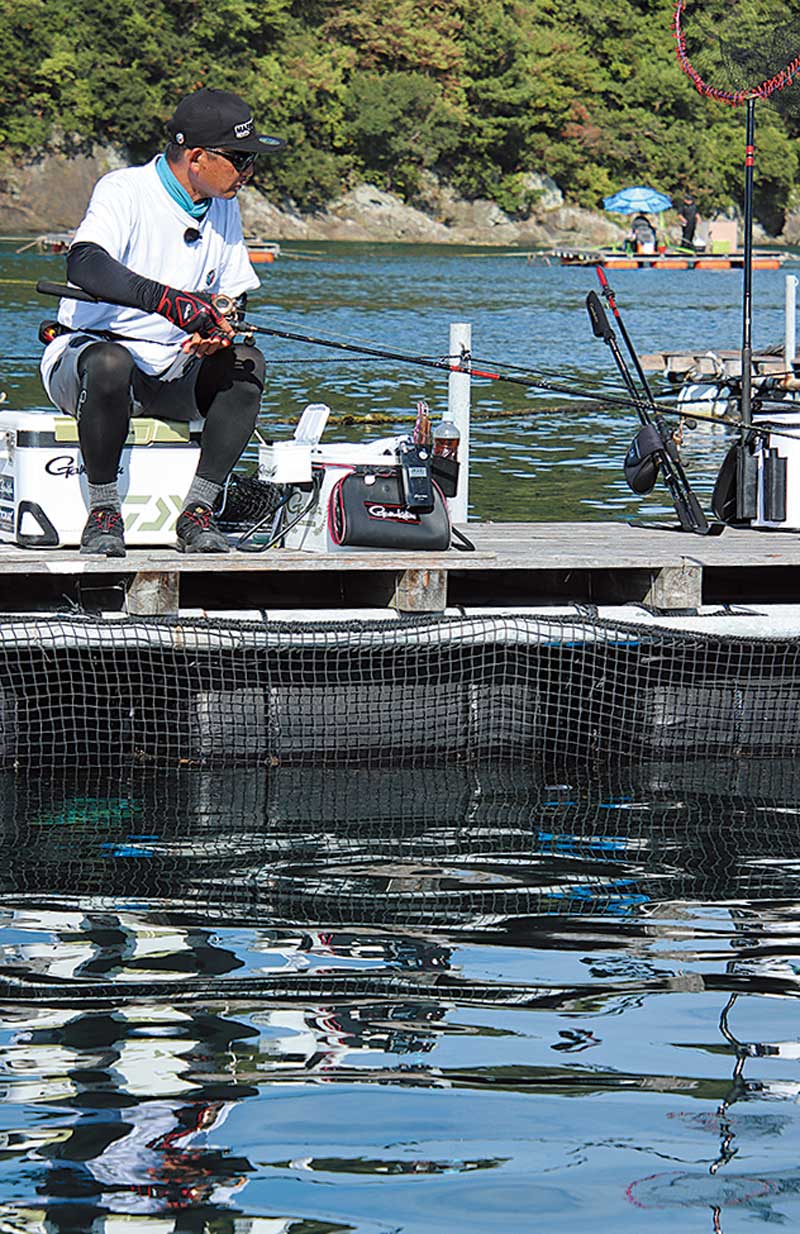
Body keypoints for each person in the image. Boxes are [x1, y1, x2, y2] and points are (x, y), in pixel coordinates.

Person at [39, 87, 285, 556]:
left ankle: (198, 512)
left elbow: (234, 295)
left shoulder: (225, 205)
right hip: (91, 362)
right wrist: (167, 302)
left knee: (246, 364)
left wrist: (221, 328)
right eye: (241, 160)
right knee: (111, 363)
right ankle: (104, 513)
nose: (249, 173)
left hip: (172, 367)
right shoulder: (124, 189)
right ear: (197, 157)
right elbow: (84, 263)